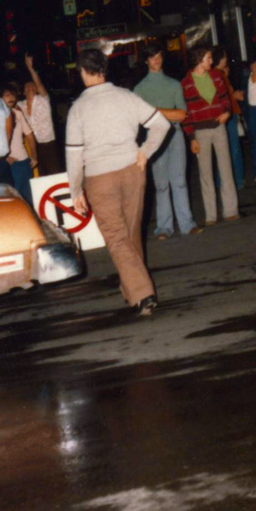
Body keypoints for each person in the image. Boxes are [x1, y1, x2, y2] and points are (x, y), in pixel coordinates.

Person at [66, 48, 170, 317]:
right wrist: (144, 152)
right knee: (131, 233)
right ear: (104, 69)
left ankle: (143, 293)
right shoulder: (126, 96)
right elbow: (162, 124)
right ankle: (131, 289)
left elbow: (74, 154)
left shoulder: (78, 108)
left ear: (82, 72)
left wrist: (75, 190)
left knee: (115, 236)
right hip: (131, 170)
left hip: (100, 177)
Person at [133, 42, 201, 240]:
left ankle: (187, 224)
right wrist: (166, 113)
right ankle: (164, 227)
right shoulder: (139, 89)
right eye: (152, 57)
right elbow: (139, 118)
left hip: (175, 135)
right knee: (161, 184)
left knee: (179, 181)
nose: (157, 60)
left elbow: (182, 114)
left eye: (159, 56)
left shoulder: (174, 84)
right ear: (146, 61)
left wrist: (154, 111)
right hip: (154, 139)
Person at [181, 45, 239, 225]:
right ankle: (211, 215)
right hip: (200, 132)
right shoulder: (186, 84)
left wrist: (227, 112)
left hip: (219, 127)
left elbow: (225, 99)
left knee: (226, 168)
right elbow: (186, 113)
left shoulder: (216, 76)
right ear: (199, 59)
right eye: (208, 58)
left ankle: (231, 210)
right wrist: (191, 138)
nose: (211, 61)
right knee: (205, 174)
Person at [19, 55, 62, 175]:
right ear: (23, 92)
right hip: (31, 147)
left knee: (54, 176)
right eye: (27, 86)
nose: (30, 87)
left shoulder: (43, 100)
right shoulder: (20, 105)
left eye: (32, 86)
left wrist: (31, 69)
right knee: (38, 178)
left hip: (48, 145)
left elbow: (39, 84)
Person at [213, 47, 246, 191]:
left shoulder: (219, 74)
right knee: (233, 150)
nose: (227, 59)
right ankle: (234, 183)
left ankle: (228, 182)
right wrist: (235, 96)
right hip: (228, 115)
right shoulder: (218, 75)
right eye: (225, 57)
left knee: (228, 150)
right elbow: (222, 97)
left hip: (228, 115)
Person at [1, 81, 37, 204]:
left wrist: (34, 156)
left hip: (23, 162)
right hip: (8, 163)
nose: (11, 98)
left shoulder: (18, 114)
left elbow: (30, 135)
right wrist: (5, 157)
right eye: (7, 95)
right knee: (13, 201)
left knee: (28, 198)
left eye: (12, 95)